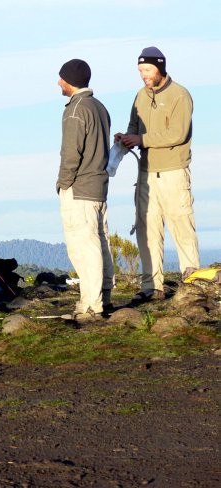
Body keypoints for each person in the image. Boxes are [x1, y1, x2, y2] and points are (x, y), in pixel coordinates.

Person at [114, 47, 200, 302]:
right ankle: (152, 286)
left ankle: (194, 284)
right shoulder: (140, 96)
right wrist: (126, 138)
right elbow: (133, 126)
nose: (144, 75)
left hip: (174, 172)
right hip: (146, 173)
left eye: (148, 70)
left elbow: (178, 133)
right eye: (141, 70)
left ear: (160, 68)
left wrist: (141, 139)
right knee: (147, 229)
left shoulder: (180, 95)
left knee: (181, 226)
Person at [57, 59, 115, 318]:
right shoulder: (99, 108)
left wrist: (63, 183)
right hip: (99, 186)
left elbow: (71, 153)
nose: (58, 82)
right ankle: (104, 294)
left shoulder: (75, 110)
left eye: (61, 78)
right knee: (100, 241)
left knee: (83, 246)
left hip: (80, 188)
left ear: (69, 81)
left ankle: (92, 304)